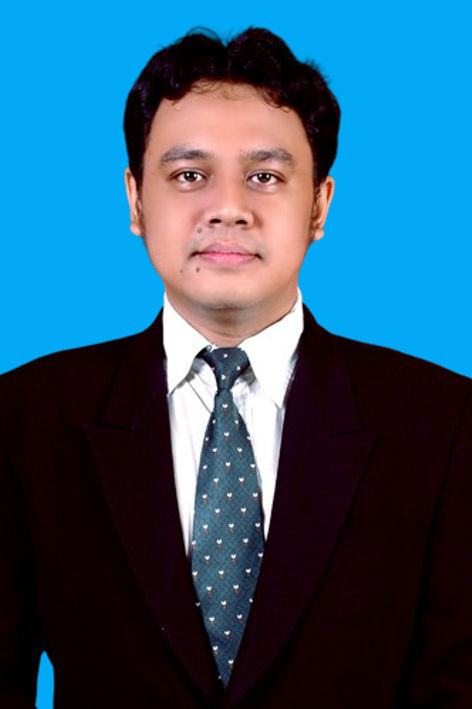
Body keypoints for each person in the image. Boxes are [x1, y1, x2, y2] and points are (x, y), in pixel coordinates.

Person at [0, 27, 471, 709]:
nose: (228, 208)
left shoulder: (443, 423)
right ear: (136, 200)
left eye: (265, 177)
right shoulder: (25, 417)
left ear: (319, 206)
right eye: (189, 175)